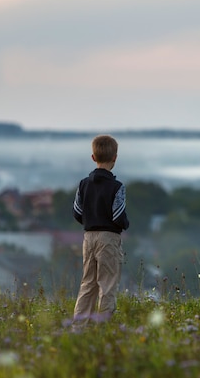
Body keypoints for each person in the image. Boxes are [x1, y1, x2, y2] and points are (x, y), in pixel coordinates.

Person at [72, 134, 130, 326]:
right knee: (107, 284)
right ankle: (102, 328)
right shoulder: (117, 187)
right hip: (109, 238)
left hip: (88, 237)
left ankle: (79, 328)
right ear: (115, 157)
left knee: (87, 284)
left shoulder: (83, 184)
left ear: (93, 157)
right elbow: (118, 216)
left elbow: (77, 212)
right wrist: (126, 224)